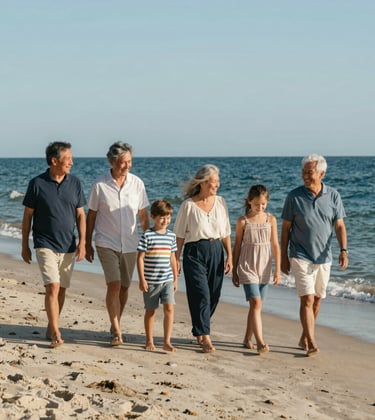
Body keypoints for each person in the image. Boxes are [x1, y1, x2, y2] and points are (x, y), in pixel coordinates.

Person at [280, 154, 348, 356]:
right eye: (303, 172)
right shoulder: (294, 197)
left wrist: (344, 250)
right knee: (307, 299)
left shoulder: (333, 196)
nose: (305, 176)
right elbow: (285, 229)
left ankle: (304, 336)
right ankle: (311, 340)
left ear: (322, 173)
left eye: (309, 172)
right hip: (300, 254)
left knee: (317, 300)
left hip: (324, 257)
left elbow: (340, 225)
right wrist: (283, 256)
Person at [21, 141, 86, 348]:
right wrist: (24, 245)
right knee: (53, 286)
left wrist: (83, 242)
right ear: (54, 160)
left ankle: (51, 325)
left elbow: (81, 215)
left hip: (68, 244)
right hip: (44, 243)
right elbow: (27, 216)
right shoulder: (37, 183)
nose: (72, 163)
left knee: (62, 289)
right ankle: (56, 331)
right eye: (68, 159)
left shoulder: (75, 183)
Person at [85, 141, 149, 346]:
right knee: (113, 284)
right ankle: (117, 331)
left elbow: (143, 216)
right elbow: (91, 215)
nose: (127, 166)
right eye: (123, 162)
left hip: (131, 244)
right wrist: (86, 242)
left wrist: (149, 240)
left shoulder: (137, 184)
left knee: (124, 287)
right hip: (106, 242)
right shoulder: (99, 185)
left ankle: (115, 324)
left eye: (130, 161)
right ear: (111, 162)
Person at [173, 164, 232, 353]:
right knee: (201, 294)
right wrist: (176, 259)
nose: (217, 185)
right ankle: (205, 335)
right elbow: (180, 235)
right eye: (215, 182)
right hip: (194, 251)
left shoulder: (221, 202)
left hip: (216, 250)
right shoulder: (188, 205)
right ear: (204, 182)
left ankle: (200, 327)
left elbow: (226, 232)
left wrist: (230, 255)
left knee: (214, 294)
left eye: (218, 182)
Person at [232, 185, 280, 354]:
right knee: (256, 303)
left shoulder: (270, 219)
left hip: (265, 266)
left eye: (263, 204)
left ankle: (247, 338)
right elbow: (237, 246)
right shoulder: (242, 221)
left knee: (256, 307)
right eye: (257, 204)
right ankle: (260, 342)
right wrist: (235, 270)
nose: (260, 207)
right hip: (247, 266)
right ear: (249, 201)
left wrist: (277, 269)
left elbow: (275, 245)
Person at [137, 199, 178, 352]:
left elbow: (172, 258)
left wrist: (175, 279)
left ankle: (167, 341)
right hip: (151, 281)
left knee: (169, 308)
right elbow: (140, 258)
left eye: (168, 217)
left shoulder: (171, 236)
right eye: (162, 217)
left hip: (167, 279)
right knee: (151, 311)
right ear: (153, 217)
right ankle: (149, 340)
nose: (165, 221)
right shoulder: (147, 235)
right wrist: (142, 279)